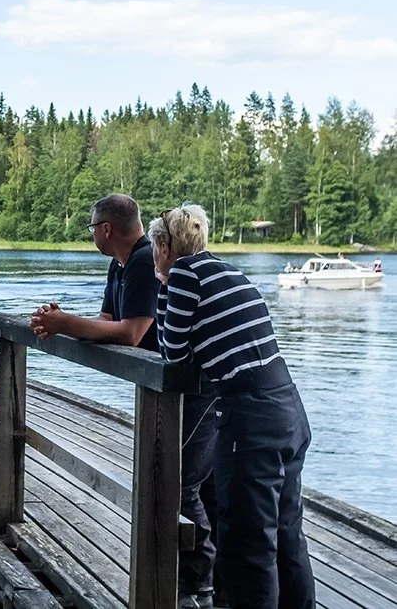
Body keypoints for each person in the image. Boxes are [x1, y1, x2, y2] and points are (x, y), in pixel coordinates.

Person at [31, 194, 219, 608]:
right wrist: (62, 324)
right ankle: (205, 579)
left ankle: (198, 583)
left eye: (92, 227)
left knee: (179, 483)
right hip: (168, 394)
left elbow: (132, 332)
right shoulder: (120, 265)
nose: (92, 234)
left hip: (191, 393)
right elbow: (105, 321)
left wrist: (65, 324)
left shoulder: (143, 261)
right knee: (188, 482)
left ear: (106, 229)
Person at [150, 204, 314, 609]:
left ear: (166, 247)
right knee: (286, 533)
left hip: (250, 415)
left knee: (246, 543)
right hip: (288, 406)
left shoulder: (186, 273)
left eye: (156, 247)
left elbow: (171, 349)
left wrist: (163, 283)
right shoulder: (230, 271)